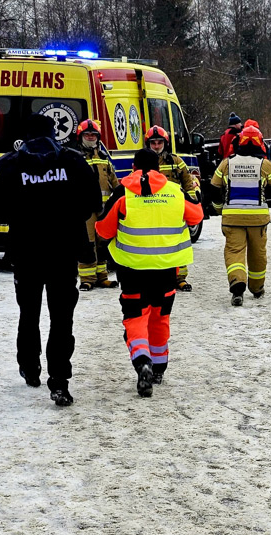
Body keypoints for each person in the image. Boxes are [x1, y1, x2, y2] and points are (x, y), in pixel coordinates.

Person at [0, 113, 100, 406]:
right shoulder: (74, 163)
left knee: (29, 312)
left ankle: (29, 366)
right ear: (54, 133)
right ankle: (59, 381)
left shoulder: (11, 165)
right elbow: (92, 205)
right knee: (62, 318)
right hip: (63, 253)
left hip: (26, 253)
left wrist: (24, 212)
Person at [97, 149, 203, 396]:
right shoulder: (175, 192)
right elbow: (197, 215)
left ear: (134, 166)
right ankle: (158, 368)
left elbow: (103, 230)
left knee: (135, 318)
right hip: (166, 270)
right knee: (159, 318)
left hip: (132, 271)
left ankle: (141, 361)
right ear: (158, 167)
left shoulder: (123, 193)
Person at [208, 125, 271, 306]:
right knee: (258, 254)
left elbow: (214, 187)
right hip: (258, 219)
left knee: (234, 252)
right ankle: (257, 288)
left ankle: (237, 284)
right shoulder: (265, 164)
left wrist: (218, 208)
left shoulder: (227, 162)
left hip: (232, 218)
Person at [147, 125, 200, 292]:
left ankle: (180, 278)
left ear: (165, 143)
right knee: (154, 244)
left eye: (159, 142)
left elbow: (188, 183)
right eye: (153, 142)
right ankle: (159, 277)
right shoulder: (144, 162)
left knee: (179, 244)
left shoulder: (176, 161)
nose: (156, 145)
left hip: (174, 211)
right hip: (152, 211)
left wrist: (191, 200)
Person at [75, 119, 120, 291]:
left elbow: (114, 182)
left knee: (102, 244)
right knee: (87, 243)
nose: (91, 137)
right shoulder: (75, 157)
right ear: (81, 137)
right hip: (84, 209)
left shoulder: (103, 158)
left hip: (104, 209)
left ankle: (102, 277)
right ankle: (87, 279)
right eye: (87, 134)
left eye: (94, 135)